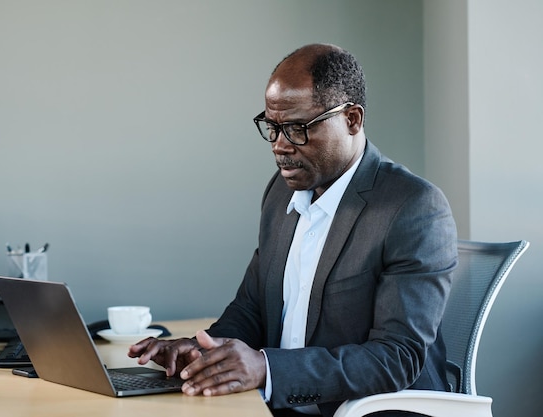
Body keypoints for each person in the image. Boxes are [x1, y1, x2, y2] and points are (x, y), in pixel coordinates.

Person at [129, 43, 458, 417]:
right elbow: (253, 308)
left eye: (298, 128)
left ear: (352, 119)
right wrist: (203, 350)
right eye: (272, 127)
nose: (280, 146)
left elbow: (396, 357)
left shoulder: (412, 207)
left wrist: (267, 369)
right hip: (282, 405)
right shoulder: (280, 192)